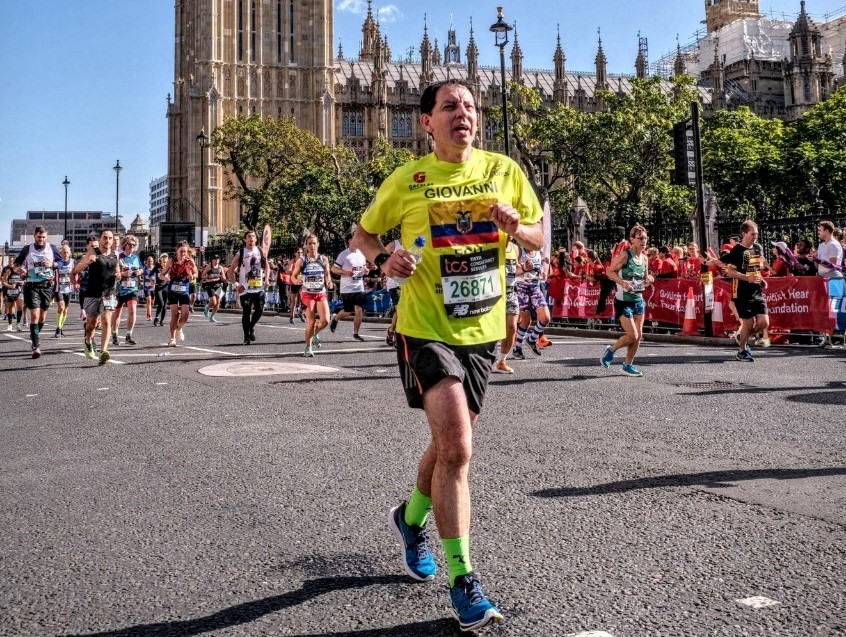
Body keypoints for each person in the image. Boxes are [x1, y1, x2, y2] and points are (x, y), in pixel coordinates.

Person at [351, 78, 544, 632]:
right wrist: (385, 259)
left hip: (481, 330)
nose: (463, 113)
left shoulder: (504, 170)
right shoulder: (407, 179)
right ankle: (464, 580)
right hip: (424, 328)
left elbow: (538, 236)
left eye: (469, 106)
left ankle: (410, 519)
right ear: (426, 122)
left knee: (446, 445)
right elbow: (363, 235)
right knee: (458, 446)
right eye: (449, 106)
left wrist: (518, 228)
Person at [706, 220, 769, 362]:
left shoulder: (757, 248)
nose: (755, 237)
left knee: (764, 323)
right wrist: (747, 278)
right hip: (742, 292)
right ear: (744, 234)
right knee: (748, 323)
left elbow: (755, 268)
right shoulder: (737, 251)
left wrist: (761, 279)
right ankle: (742, 351)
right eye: (753, 234)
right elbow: (730, 272)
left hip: (756, 291)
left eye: (757, 234)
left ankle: (742, 336)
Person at [601, 224, 653, 376]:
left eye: (645, 238)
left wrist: (649, 279)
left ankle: (628, 365)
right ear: (632, 240)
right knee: (632, 335)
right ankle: (611, 350)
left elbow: (644, 280)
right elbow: (609, 272)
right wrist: (623, 282)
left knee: (638, 335)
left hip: (638, 300)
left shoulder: (644, 258)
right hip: (623, 301)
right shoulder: (625, 256)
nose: (643, 241)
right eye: (640, 238)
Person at [72, 228, 120, 365]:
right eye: (105, 238)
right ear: (100, 239)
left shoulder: (115, 254)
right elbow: (76, 270)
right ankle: (87, 341)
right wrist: (87, 262)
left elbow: (117, 271)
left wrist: (119, 275)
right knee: (91, 324)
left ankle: (103, 351)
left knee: (106, 320)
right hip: (92, 293)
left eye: (110, 238)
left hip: (108, 293)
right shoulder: (93, 252)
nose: (108, 241)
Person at [13, 226, 61, 359]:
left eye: (44, 237)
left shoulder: (52, 248)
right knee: (34, 315)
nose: (41, 239)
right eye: (39, 237)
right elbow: (16, 265)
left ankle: (34, 334)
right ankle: (36, 346)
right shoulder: (27, 248)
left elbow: (61, 263)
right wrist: (20, 270)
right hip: (32, 286)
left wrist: (52, 264)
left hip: (47, 286)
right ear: (34, 236)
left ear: (47, 236)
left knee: (42, 318)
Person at [291, 234, 334, 356]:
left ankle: (314, 333)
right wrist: (296, 281)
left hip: (320, 293)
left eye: (314, 243)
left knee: (325, 321)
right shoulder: (302, 260)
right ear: (306, 246)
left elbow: (327, 275)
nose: (312, 246)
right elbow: (293, 276)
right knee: (311, 321)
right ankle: (308, 348)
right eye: (309, 243)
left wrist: (329, 282)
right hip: (307, 294)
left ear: (318, 244)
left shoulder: (323, 259)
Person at [229, 230, 269, 345]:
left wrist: (266, 279)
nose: (251, 238)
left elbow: (267, 266)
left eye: (253, 236)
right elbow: (231, 270)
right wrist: (236, 285)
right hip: (245, 289)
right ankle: (246, 337)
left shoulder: (260, 250)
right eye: (249, 236)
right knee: (246, 312)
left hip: (258, 287)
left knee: (260, 310)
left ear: (256, 239)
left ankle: (251, 327)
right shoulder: (241, 252)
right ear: (245, 240)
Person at [512, 245, 549, 359]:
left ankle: (531, 339)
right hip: (521, 287)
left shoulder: (539, 252)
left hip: (535, 287)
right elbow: (513, 270)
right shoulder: (518, 250)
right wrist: (524, 268)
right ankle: (517, 348)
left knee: (545, 318)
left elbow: (539, 270)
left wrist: (542, 273)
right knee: (526, 320)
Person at [330, 234, 367, 341]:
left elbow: (364, 267)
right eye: (356, 239)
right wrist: (346, 272)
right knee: (348, 311)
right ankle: (336, 318)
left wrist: (366, 270)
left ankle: (356, 333)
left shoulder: (361, 254)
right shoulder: (343, 254)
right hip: (347, 288)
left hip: (359, 287)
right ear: (349, 241)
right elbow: (333, 269)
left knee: (359, 310)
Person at [162, 241, 198, 347]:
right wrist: (166, 278)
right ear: (177, 251)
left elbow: (196, 272)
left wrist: (193, 276)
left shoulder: (190, 261)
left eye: (185, 251)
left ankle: (179, 328)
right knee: (175, 315)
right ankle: (172, 338)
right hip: (172, 290)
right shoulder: (171, 261)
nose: (183, 253)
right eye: (181, 251)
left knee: (185, 314)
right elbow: (161, 274)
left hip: (184, 290)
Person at [492, 236, 520, 373]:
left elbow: (516, 269)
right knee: (492, 328)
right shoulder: (494, 245)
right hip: (494, 291)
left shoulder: (515, 248)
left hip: (511, 291)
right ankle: (486, 359)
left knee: (512, 327)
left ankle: (501, 361)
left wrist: (525, 268)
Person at [112, 235, 143, 346]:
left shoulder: (136, 258)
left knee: (132, 311)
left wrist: (139, 272)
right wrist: (122, 274)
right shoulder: (118, 257)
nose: (131, 246)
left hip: (132, 288)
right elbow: (112, 273)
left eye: (134, 245)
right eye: (130, 244)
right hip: (119, 289)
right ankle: (114, 334)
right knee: (117, 313)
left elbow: (141, 269)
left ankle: (129, 335)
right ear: (125, 245)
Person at [53, 244, 76, 338]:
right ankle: (58, 329)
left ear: (70, 253)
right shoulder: (57, 263)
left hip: (69, 289)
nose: (65, 254)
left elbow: (76, 273)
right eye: (64, 252)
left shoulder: (73, 262)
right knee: (61, 308)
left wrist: (76, 282)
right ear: (61, 253)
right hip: (59, 288)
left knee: (65, 310)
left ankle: (60, 327)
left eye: (67, 252)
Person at [200, 255, 226, 323]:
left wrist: (222, 277)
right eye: (215, 259)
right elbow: (202, 276)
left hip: (218, 286)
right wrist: (208, 276)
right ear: (212, 260)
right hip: (210, 286)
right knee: (213, 301)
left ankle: (212, 317)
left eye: (217, 259)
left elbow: (224, 278)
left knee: (218, 303)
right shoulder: (209, 267)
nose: (216, 260)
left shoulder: (220, 267)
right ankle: (207, 307)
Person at [1, 260, 25, 332]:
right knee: (10, 308)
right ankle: (10, 324)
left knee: (20, 307)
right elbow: (3, 282)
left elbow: (26, 279)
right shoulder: (9, 270)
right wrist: (10, 286)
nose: (15, 265)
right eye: (14, 264)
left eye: (17, 264)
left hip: (19, 291)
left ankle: (18, 324)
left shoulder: (22, 270)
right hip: (10, 291)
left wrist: (22, 282)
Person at [286, 248, 305, 323]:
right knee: (293, 300)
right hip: (293, 283)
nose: (300, 254)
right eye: (298, 252)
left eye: (301, 252)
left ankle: (301, 313)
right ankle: (292, 316)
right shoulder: (292, 261)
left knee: (303, 300)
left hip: (301, 283)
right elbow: (287, 272)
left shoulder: (304, 261)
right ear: (295, 253)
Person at [152, 253, 170, 326]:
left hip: (165, 287)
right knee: (161, 303)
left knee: (165, 305)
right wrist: (152, 281)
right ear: (161, 260)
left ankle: (162, 321)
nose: (165, 263)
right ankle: (156, 317)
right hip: (158, 287)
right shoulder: (157, 266)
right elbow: (150, 274)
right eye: (164, 261)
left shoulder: (169, 268)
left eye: (166, 261)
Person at [141, 255, 157, 322]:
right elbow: (140, 273)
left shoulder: (155, 268)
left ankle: (149, 310)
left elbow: (158, 277)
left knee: (152, 302)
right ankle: (149, 316)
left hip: (153, 288)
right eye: (148, 261)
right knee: (149, 300)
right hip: (146, 288)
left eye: (151, 261)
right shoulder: (144, 268)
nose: (150, 262)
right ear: (146, 262)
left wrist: (155, 283)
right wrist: (140, 280)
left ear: (153, 262)